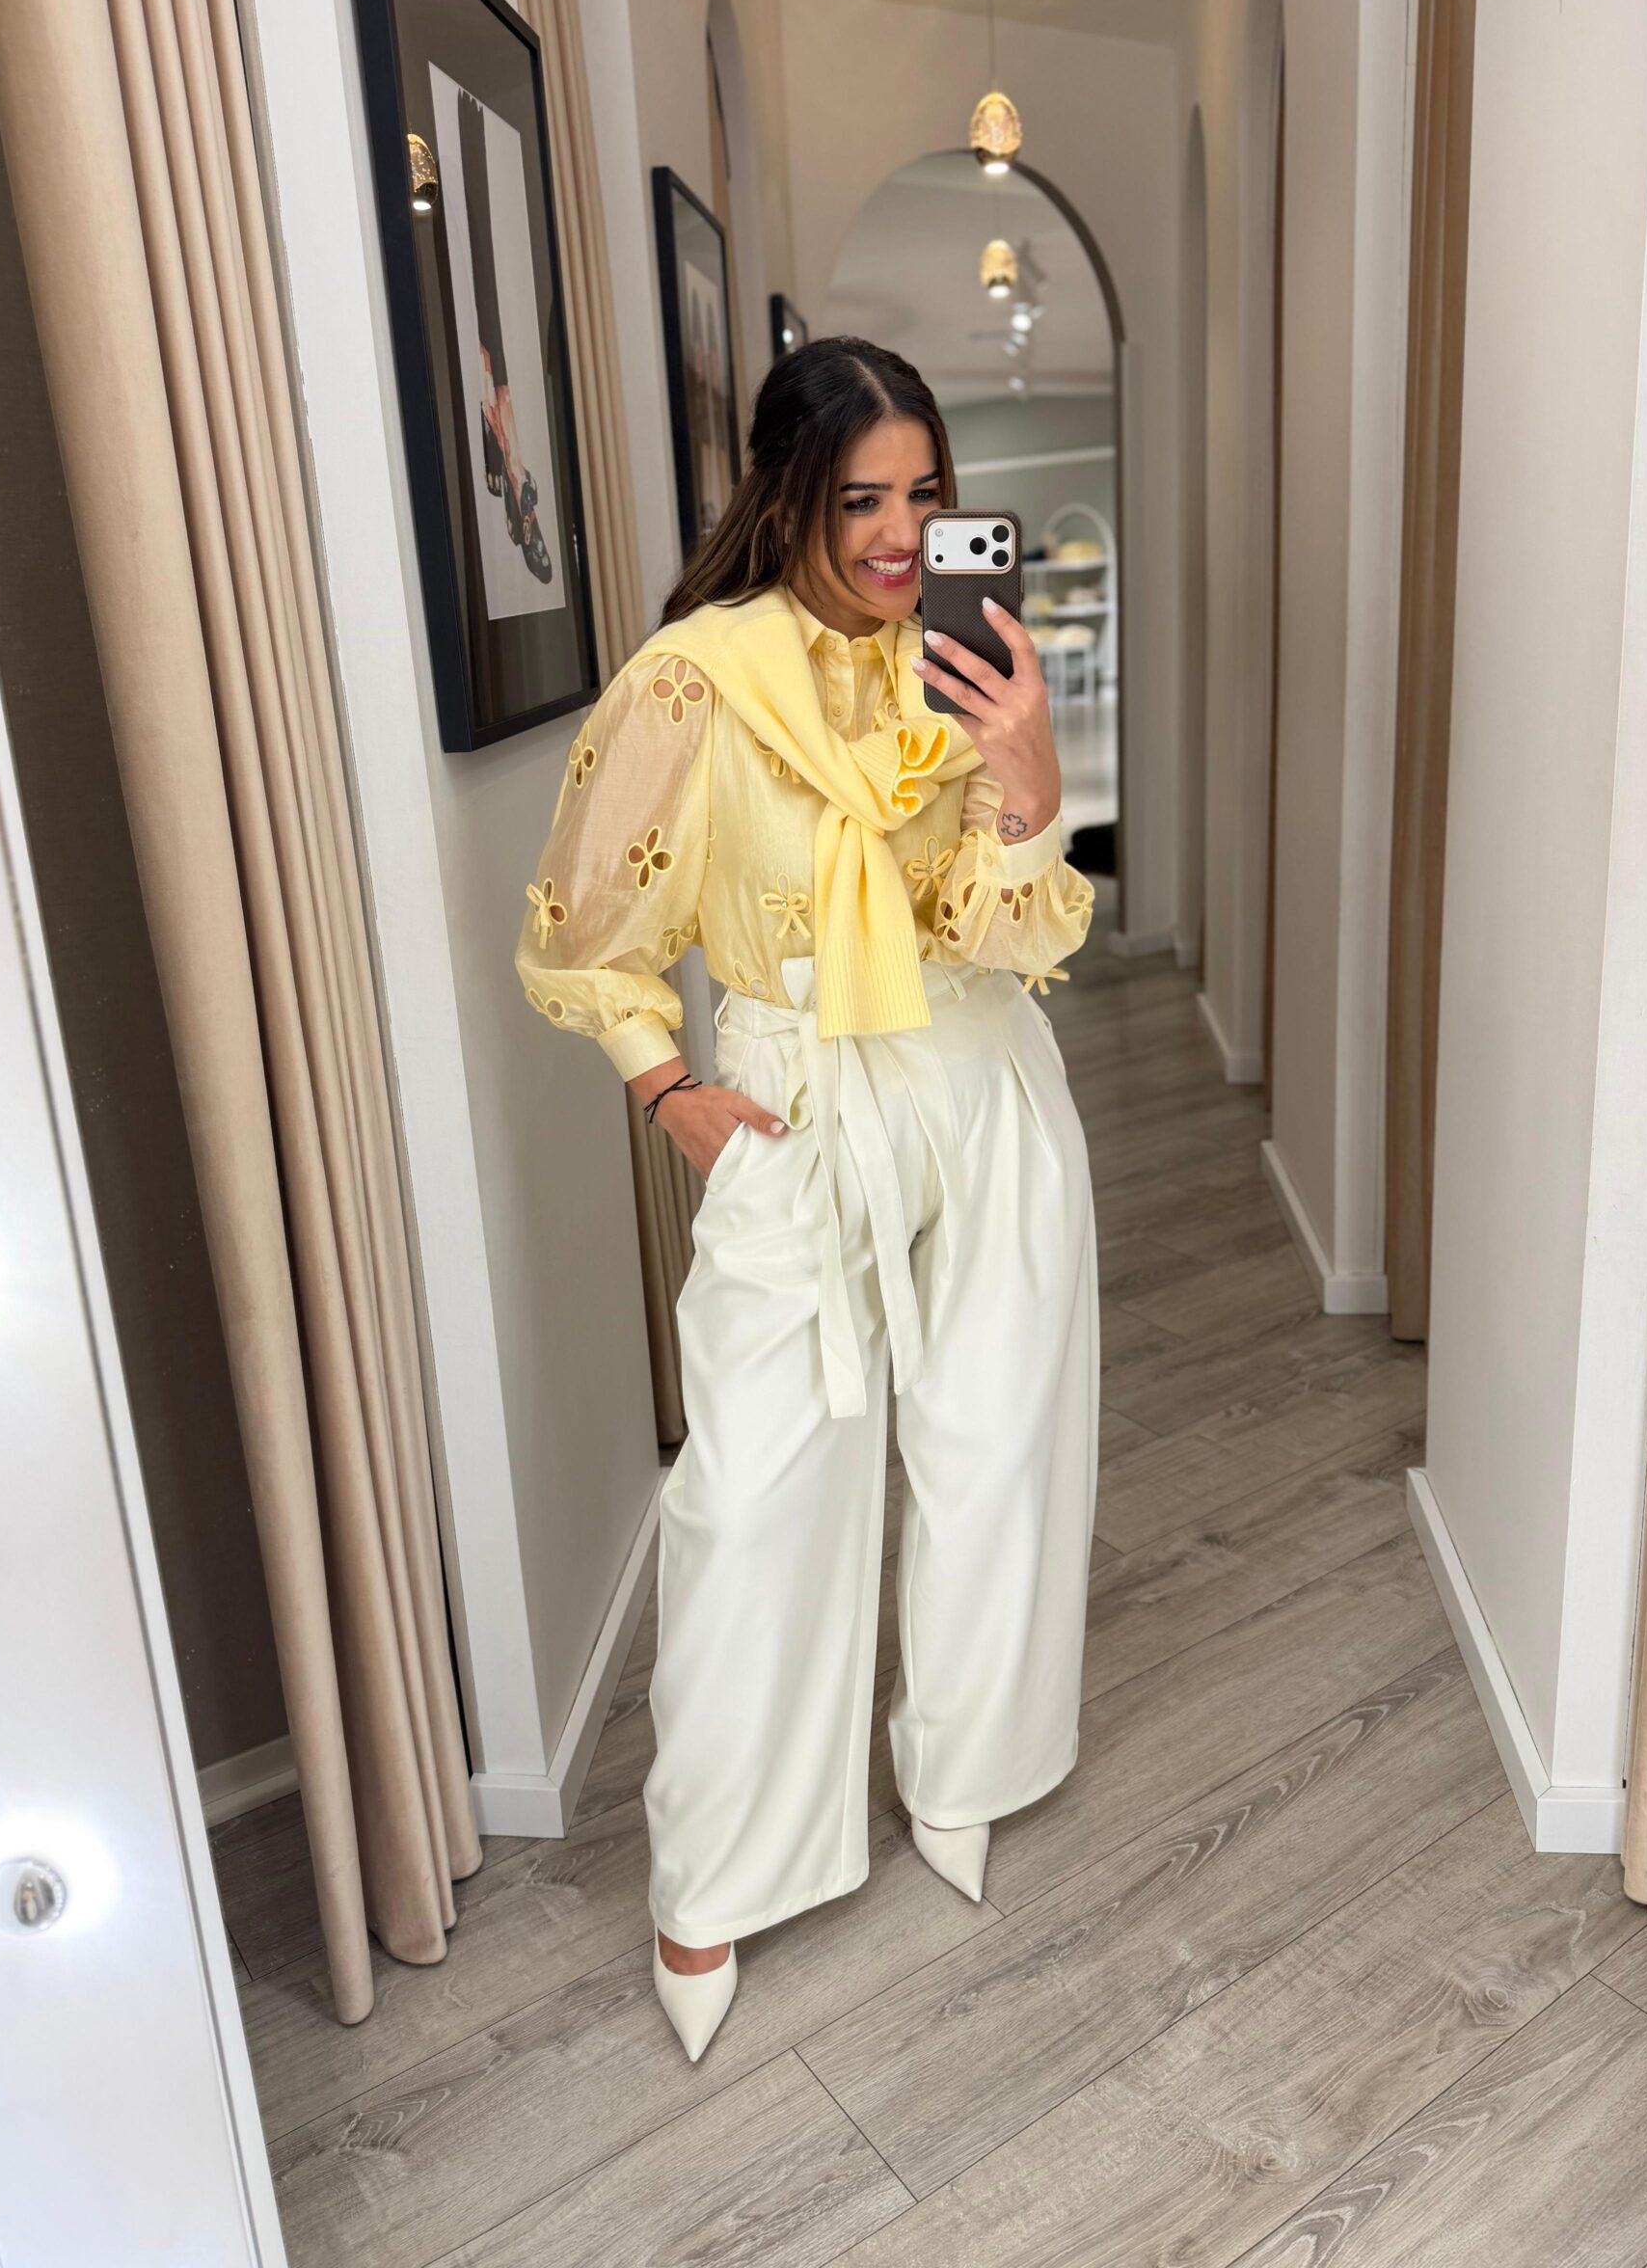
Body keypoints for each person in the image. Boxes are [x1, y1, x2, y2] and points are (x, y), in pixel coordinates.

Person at [515, 337, 1098, 2061]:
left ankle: (967, 1765)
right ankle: (716, 1871)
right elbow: (586, 928)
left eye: (927, 495)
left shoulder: (965, 670)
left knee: (996, 1449)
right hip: (792, 1097)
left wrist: (1032, 788)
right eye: (863, 500)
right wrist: (668, 1088)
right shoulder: (694, 685)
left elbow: (1009, 937)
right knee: (756, 1492)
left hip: (979, 1073)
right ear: (788, 500)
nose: (904, 535)